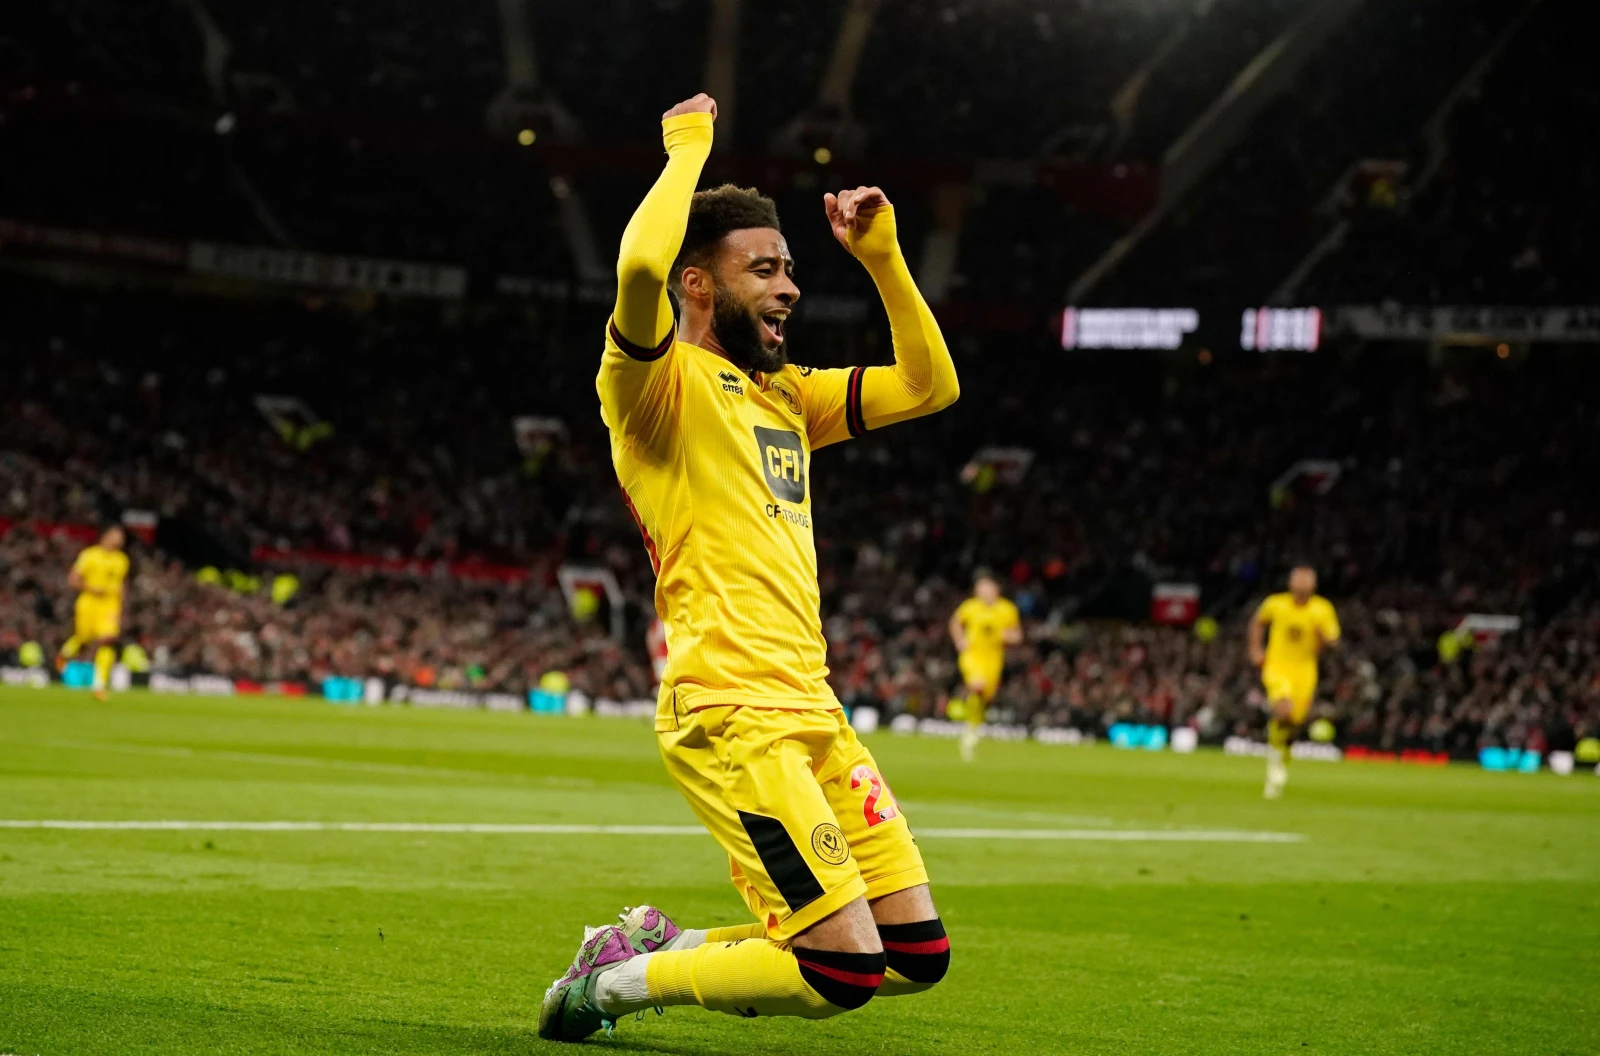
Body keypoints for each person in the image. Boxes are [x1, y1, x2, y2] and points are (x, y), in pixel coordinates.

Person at [539, 93, 959, 1041]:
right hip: (733, 711)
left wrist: (883, 259)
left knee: (913, 958)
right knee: (841, 969)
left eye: (791, 268)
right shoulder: (652, 387)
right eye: (763, 269)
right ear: (699, 285)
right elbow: (639, 265)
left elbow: (931, 386)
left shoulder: (789, 397)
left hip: (815, 711)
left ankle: (652, 944)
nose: (789, 287)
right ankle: (610, 987)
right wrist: (687, 147)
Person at [1248, 565, 1340, 798]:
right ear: (1290, 583)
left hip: (1305, 671)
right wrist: (1255, 649)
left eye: (1306, 581)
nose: (1301, 585)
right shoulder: (1276, 603)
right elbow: (1258, 621)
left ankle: (1280, 757)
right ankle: (1275, 759)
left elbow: (1333, 641)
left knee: (1293, 722)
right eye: (1297, 580)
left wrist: (1324, 639)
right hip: (1277, 666)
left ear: (1313, 585)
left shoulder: (1322, 609)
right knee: (1283, 708)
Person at [946, 570, 1021, 761]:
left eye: (986, 588)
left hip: (993, 659)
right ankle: (957, 707)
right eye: (980, 589)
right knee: (977, 685)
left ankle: (971, 731)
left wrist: (1007, 636)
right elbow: (955, 622)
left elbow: (1017, 635)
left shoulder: (1007, 609)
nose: (982, 592)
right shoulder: (971, 606)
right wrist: (960, 641)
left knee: (982, 698)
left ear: (996, 590)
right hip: (972, 655)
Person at [59, 525, 130, 700]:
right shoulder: (89, 555)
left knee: (107, 640)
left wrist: (121, 608)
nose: (120, 539)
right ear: (105, 536)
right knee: (84, 638)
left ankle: (99, 685)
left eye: (121, 536)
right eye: (116, 535)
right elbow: (73, 579)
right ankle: (63, 655)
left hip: (110, 606)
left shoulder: (122, 560)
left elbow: (121, 585)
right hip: (88, 603)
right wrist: (91, 588)